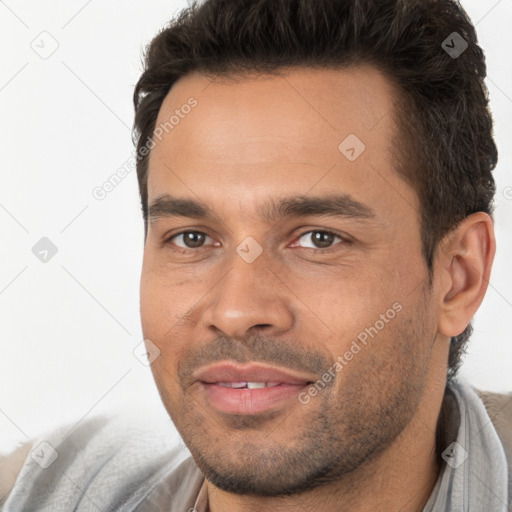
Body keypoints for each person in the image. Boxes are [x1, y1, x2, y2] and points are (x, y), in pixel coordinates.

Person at [2, 0, 511, 510]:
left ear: (458, 276)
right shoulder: (49, 489)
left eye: (318, 239)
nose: (235, 312)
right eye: (193, 239)